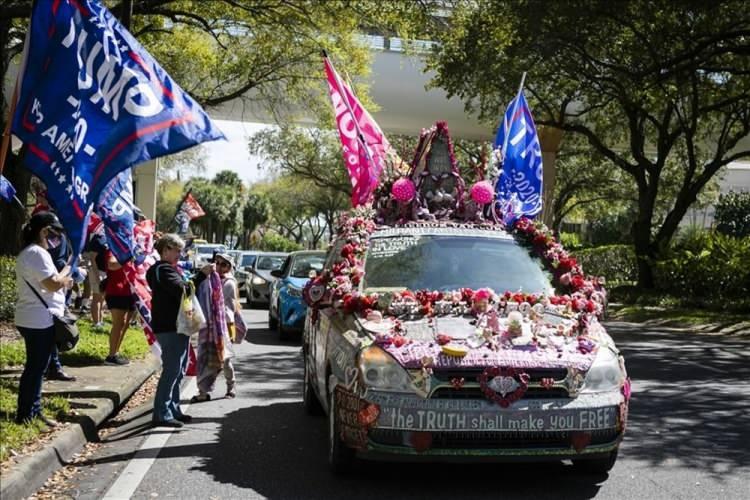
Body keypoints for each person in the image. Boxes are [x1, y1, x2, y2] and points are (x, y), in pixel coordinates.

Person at [14, 212, 74, 426]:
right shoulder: (37, 253)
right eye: (55, 233)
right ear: (44, 231)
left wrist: (65, 273)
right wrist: (68, 273)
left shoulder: (31, 252)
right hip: (38, 319)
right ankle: (27, 413)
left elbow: (48, 281)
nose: (57, 238)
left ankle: (33, 410)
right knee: (35, 368)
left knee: (38, 366)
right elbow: (52, 284)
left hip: (35, 317)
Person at [146, 233, 212, 427]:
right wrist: (201, 275)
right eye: (177, 251)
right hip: (169, 327)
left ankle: (173, 409)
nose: (179, 255)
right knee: (172, 370)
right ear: (166, 249)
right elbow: (182, 289)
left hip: (175, 326)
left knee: (179, 370)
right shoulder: (163, 270)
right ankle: (162, 414)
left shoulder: (165, 269)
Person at [191, 252, 236, 403]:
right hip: (208, 326)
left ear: (229, 267)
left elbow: (226, 307)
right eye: (217, 263)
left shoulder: (229, 283)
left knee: (225, 359)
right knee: (205, 358)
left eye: (224, 264)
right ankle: (203, 391)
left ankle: (231, 386)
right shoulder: (207, 279)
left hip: (224, 326)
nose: (219, 267)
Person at [43, 229, 77, 382]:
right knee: (53, 328)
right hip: (51, 287)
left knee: (55, 328)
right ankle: (52, 366)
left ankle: (53, 365)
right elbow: (58, 263)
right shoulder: (51, 238)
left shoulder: (64, 235)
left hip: (60, 287)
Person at [102, 250, 136, 365]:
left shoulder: (131, 250)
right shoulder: (113, 250)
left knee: (125, 324)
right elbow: (111, 265)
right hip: (116, 291)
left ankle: (116, 352)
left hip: (130, 291)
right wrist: (128, 257)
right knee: (118, 324)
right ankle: (111, 356)